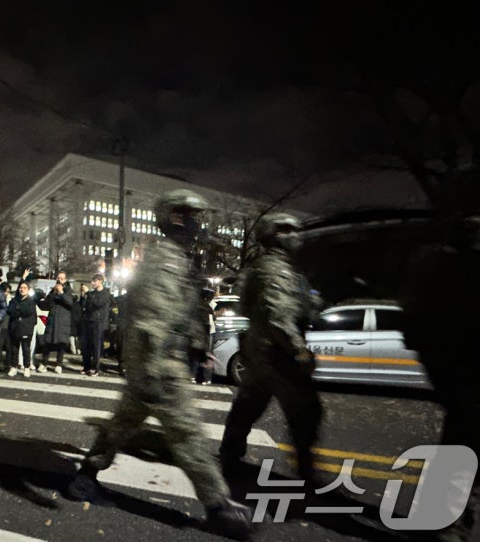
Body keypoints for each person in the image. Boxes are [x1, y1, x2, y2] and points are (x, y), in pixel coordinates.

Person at [66, 189, 254, 540]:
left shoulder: (178, 259)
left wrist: (196, 346)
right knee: (188, 434)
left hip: (151, 364)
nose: (198, 224)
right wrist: (154, 370)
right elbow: (152, 320)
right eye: (191, 216)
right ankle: (219, 507)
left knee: (122, 426)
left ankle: (84, 478)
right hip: (158, 365)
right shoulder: (165, 260)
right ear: (175, 218)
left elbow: (182, 312)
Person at [399, 170, 480, 542]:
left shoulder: (446, 251)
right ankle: (441, 525)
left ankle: (438, 521)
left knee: (464, 447)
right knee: (468, 450)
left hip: (463, 369)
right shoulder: (458, 254)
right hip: (473, 369)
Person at [219, 213, 323, 485]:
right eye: (285, 229)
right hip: (277, 351)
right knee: (306, 410)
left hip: (260, 349)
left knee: (250, 403)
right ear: (270, 235)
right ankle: (305, 470)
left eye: (295, 229)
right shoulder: (276, 269)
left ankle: (230, 452)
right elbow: (278, 315)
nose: (294, 235)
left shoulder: (266, 266)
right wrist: (298, 349)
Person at [37, 272, 74, 373]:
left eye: (62, 279)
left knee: (61, 344)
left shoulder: (68, 290)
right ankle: (44, 363)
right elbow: (46, 304)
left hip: (63, 321)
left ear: (65, 280)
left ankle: (59, 364)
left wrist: (61, 293)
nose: (59, 280)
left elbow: (70, 303)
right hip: (52, 320)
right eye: (58, 278)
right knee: (47, 342)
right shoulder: (53, 290)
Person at [80, 273, 111, 376]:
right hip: (88, 321)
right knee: (86, 346)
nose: (92, 283)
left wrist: (88, 294)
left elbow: (98, 303)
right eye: (92, 281)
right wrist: (83, 296)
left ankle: (96, 368)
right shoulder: (91, 293)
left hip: (99, 322)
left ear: (100, 281)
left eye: (95, 281)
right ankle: (86, 366)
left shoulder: (106, 293)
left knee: (96, 346)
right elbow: (84, 305)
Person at [5, 281, 37, 377]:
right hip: (14, 328)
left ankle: (26, 367)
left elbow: (28, 312)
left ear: (28, 290)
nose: (22, 289)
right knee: (14, 349)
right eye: (20, 288)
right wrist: (19, 310)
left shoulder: (31, 302)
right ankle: (13, 367)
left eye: (24, 288)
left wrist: (18, 310)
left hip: (26, 329)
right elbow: (10, 311)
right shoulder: (14, 300)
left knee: (26, 349)